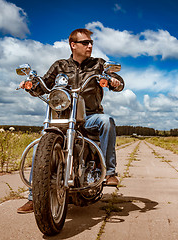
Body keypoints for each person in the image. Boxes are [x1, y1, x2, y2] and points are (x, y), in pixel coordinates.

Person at [17, 28, 124, 213]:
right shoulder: (60, 66)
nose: (90, 45)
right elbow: (43, 85)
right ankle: (35, 198)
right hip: (63, 117)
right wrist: (31, 85)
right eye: (85, 43)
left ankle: (110, 173)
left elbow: (116, 80)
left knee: (107, 121)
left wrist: (115, 81)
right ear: (73, 45)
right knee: (39, 147)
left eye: (91, 43)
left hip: (90, 116)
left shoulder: (98, 64)